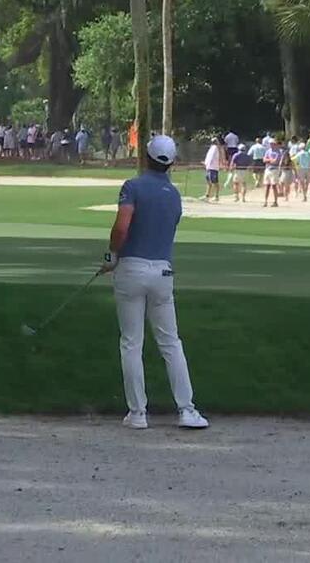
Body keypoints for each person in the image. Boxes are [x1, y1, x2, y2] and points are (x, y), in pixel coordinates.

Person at [103, 134, 209, 430]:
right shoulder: (174, 195)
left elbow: (122, 227)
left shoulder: (132, 187)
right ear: (171, 162)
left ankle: (138, 414)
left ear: (146, 157)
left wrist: (111, 255)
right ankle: (187, 410)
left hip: (131, 270)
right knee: (171, 342)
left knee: (131, 342)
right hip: (163, 272)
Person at [263, 138, 285, 208]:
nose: (271, 145)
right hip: (268, 169)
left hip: (274, 169)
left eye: (272, 144)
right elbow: (264, 160)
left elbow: (275, 161)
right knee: (267, 186)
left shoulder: (278, 152)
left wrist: (269, 160)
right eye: (270, 144)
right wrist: (270, 160)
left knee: (274, 185)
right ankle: (265, 201)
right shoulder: (268, 151)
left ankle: (275, 201)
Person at [202, 138, 224, 202]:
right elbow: (209, 157)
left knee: (215, 182)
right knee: (209, 182)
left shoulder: (215, 148)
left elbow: (211, 157)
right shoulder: (212, 148)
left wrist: (207, 163)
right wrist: (206, 163)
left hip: (213, 167)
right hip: (209, 167)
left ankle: (216, 196)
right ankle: (207, 195)